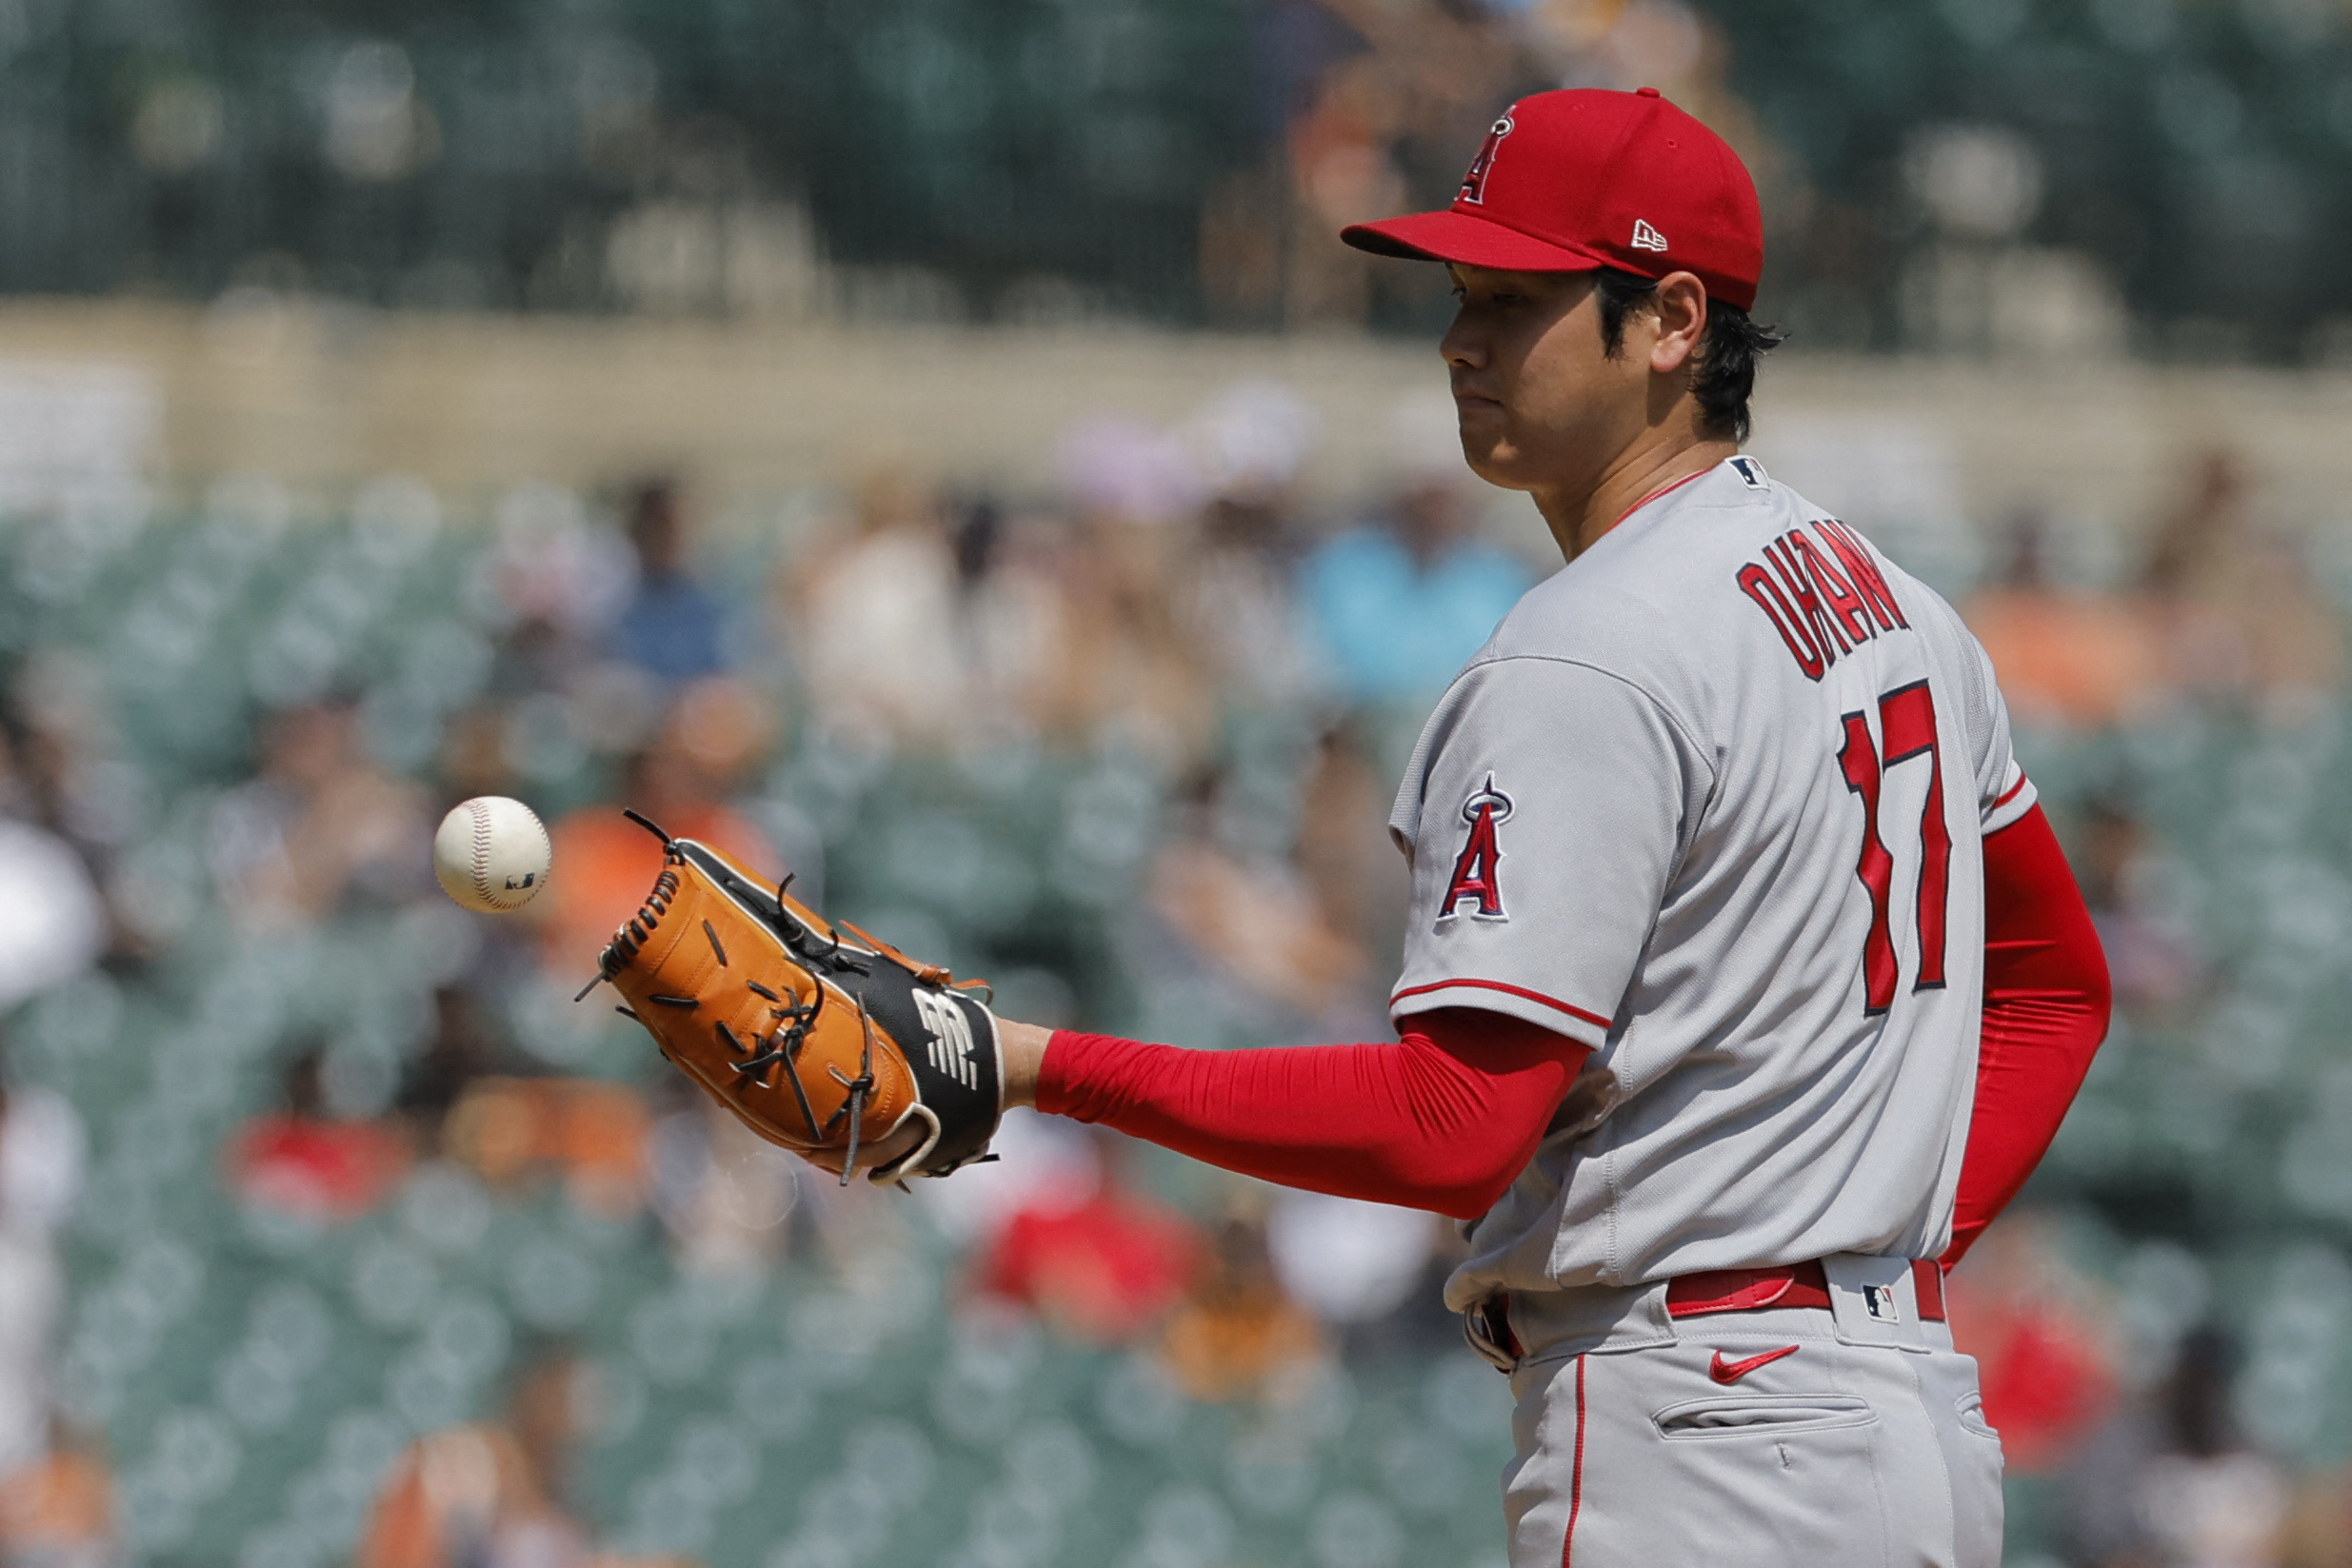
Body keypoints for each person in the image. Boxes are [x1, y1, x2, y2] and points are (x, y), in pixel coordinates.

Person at [648, 86, 2111, 1567]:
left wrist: (1039, 1066)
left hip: (1704, 1446)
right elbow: (2058, 991)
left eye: (1515, 299)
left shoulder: (1584, 653)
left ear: (1672, 320)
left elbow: (1450, 1131)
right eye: (1459, 294)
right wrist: (1871, 1262)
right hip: (1901, 1420)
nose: (1457, 341)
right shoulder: (1895, 608)